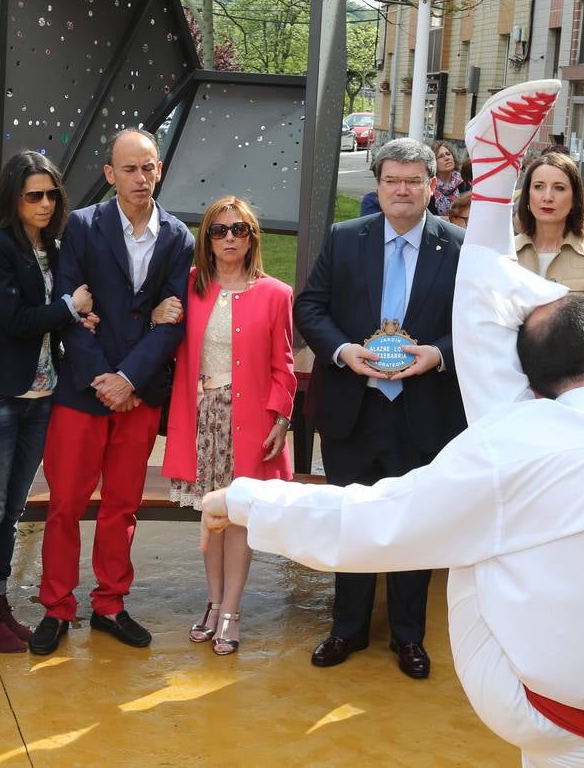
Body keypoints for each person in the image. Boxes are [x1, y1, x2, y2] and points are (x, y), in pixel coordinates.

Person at [200, 80, 584, 765]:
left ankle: (493, 182)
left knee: (471, 521)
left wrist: (244, 499)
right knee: (494, 453)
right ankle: (495, 181)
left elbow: (372, 523)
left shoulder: (517, 448)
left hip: (549, 708)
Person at [293, 136, 465, 680]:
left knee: (413, 526)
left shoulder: (459, 247)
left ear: (432, 186)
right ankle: (348, 627)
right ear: (378, 185)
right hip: (355, 407)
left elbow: (479, 324)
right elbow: (310, 307)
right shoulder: (346, 239)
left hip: (424, 409)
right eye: (392, 180)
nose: (402, 190)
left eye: (413, 181)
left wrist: (438, 354)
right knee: (354, 521)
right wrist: (344, 351)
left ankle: (409, 636)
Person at [31, 127, 195, 655]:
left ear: (159, 170)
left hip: (139, 394)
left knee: (122, 506)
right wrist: (106, 378)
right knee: (65, 504)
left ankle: (110, 604)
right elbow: (71, 309)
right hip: (85, 390)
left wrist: (130, 379)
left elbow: (173, 321)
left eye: (148, 167)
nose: (140, 177)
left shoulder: (178, 237)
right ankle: (57, 607)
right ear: (110, 174)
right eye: (129, 169)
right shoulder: (82, 226)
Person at [0, 152, 96, 653]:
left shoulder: (54, 249)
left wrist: (77, 318)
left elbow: (52, 317)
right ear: (13, 199)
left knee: (14, 509)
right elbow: (13, 320)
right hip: (0, 394)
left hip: (42, 395)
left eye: (51, 195)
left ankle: (1, 604)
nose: (45, 204)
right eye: (33, 195)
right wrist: (69, 308)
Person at [160, 197, 295, 656]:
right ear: (207, 239)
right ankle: (213, 602)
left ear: (252, 238)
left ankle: (231, 612)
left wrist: (281, 417)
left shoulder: (276, 293)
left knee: (238, 518)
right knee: (211, 517)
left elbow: (284, 365)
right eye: (219, 231)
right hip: (202, 419)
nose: (230, 238)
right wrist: (158, 314)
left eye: (239, 229)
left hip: (250, 420)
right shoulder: (190, 286)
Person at [513, 152, 584, 316]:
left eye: (559, 188)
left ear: (575, 199)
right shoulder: (507, 252)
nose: (548, 197)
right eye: (539, 186)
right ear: (527, 195)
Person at [430, 141, 471, 216]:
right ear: (433, 163)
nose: (447, 158)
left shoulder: (464, 183)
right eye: (441, 156)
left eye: (448, 154)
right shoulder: (429, 186)